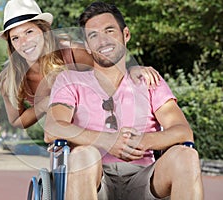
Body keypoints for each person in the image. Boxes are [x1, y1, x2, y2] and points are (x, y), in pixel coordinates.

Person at [45, 2, 203, 200]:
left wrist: (144, 141)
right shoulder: (70, 80)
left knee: (186, 156)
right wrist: (106, 140)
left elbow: (183, 131)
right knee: (84, 155)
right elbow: (52, 128)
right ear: (87, 45)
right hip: (95, 178)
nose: (103, 41)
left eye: (109, 30)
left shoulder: (149, 81)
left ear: (125, 35)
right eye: (93, 35)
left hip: (144, 179)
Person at [0, 0, 161, 130]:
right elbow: (17, 120)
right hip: (65, 132)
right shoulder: (9, 79)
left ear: (44, 31)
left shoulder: (71, 53)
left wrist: (133, 69)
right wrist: (45, 103)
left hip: (99, 118)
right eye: (15, 38)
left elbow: (109, 64)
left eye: (29, 32)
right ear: (11, 45)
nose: (24, 42)